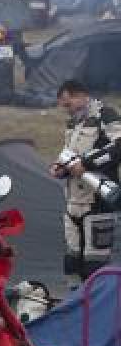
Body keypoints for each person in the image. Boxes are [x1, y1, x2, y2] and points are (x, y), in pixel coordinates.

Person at [50, 80, 121, 283]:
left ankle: (96, 311)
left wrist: (88, 164)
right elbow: (70, 156)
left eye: (68, 103)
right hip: (73, 202)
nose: (66, 109)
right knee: (72, 263)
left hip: (97, 203)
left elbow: (119, 146)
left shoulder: (105, 115)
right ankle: (75, 309)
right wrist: (59, 168)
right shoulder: (73, 122)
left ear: (81, 95)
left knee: (95, 267)